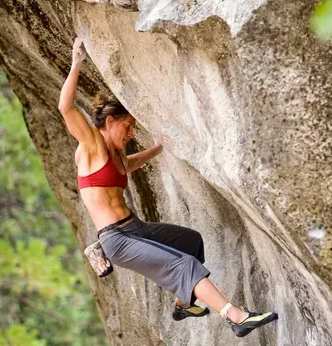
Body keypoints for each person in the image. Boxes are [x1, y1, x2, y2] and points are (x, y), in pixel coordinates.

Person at [58, 38, 278, 337]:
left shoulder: (117, 156)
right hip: (117, 240)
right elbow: (65, 107)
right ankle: (236, 316)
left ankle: (183, 304)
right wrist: (76, 63)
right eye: (127, 126)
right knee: (184, 265)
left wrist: (162, 145)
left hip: (134, 228)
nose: (131, 133)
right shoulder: (92, 146)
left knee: (191, 241)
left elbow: (130, 165)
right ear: (109, 122)